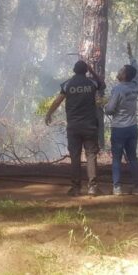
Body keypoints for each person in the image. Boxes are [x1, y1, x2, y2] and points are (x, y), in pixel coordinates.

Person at [45, 60, 105, 196]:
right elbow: (102, 84)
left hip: (73, 127)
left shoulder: (68, 84)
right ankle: (93, 187)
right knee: (91, 155)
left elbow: (57, 100)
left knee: (75, 156)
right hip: (90, 126)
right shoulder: (92, 83)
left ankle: (76, 188)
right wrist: (92, 71)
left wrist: (49, 114)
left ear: (74, 70)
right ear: (86, 71)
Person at [104, 43, 138, 196]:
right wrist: (131, 56)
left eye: (121, 70)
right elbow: (137, 72)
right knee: (132, 158)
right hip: (133, 128)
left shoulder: (118, 89)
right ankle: (137, 187)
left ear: (124, 75)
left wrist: (103, 105)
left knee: (117, 159)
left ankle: (117, 187)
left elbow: (110, 109)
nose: (118, 72)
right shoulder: (135, 86)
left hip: (119, 128)